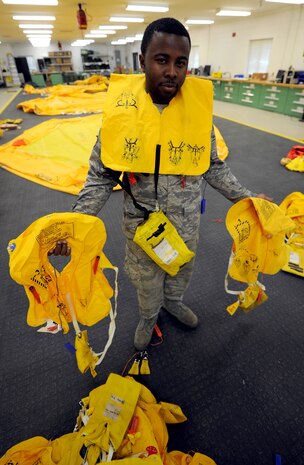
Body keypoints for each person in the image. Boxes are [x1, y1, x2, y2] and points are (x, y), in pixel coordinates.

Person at [50, 17, 272, 351]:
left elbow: (212, 166)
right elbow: (100, 177)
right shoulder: (121, 119)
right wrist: (74, 225)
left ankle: (174, 302)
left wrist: (250, 199)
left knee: (181, 270)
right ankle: (148, 316)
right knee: (146, 282)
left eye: (180, 62)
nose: (172, 71)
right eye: (162, 60)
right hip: (142, 229)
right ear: (142, 61)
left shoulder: (196, 116)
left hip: (185, 224)